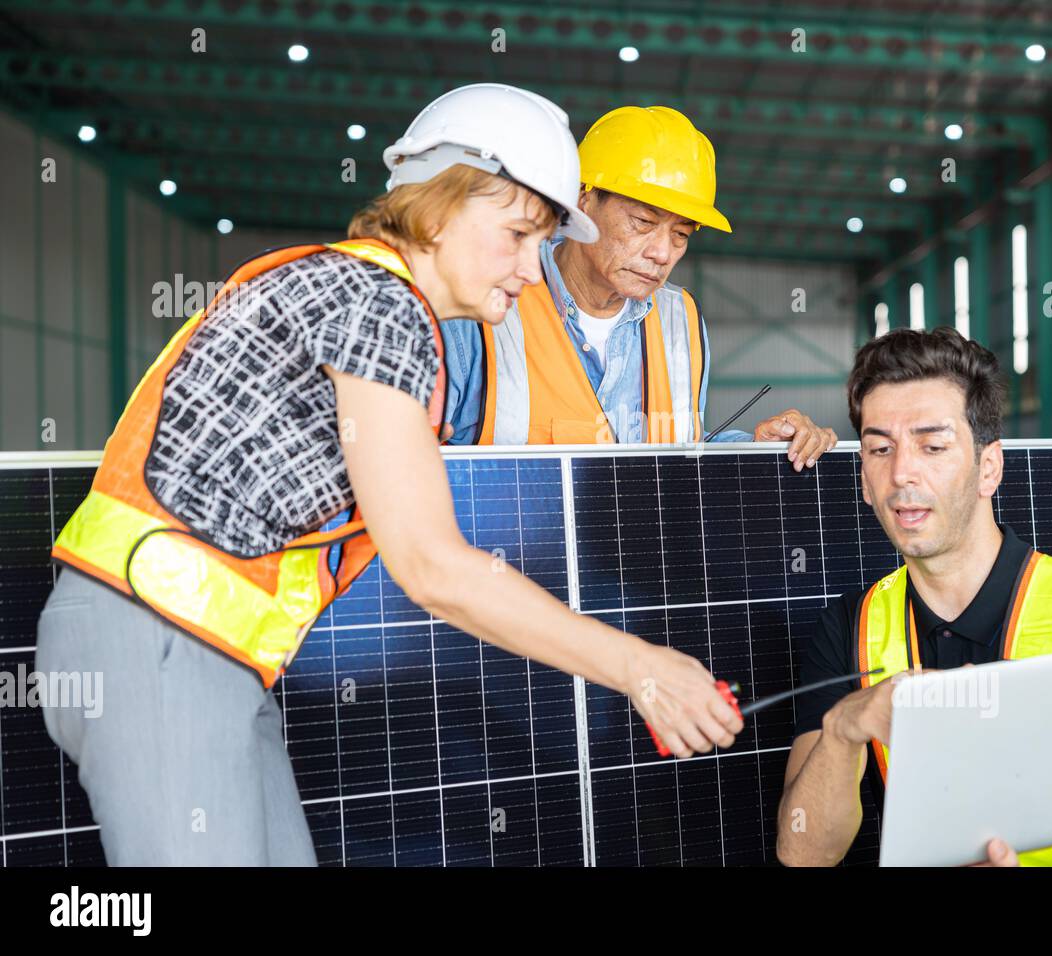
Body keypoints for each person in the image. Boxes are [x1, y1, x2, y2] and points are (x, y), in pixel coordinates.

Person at [36, 83, 742, 867]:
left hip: (207, 650)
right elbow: (431, 565)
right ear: (438, 208)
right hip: (160, 640)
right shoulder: (377, 304)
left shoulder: (367, 296)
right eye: (514, 235)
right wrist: (640, 668)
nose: (530, 271)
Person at [776, 327, 1052, 867]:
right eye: (879, 448)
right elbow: (803, 854)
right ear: (864, 480)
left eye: (933, 446)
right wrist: (845, 727)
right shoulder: (849, 627)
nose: (901, 474)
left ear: (989, 467)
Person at [439, 104, 838, 470]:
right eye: (643, 223)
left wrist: (758, 447)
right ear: (582, 199)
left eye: (681, 234)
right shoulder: (482, 304)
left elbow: (684, 449)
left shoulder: (680, 318)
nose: (663, 253)